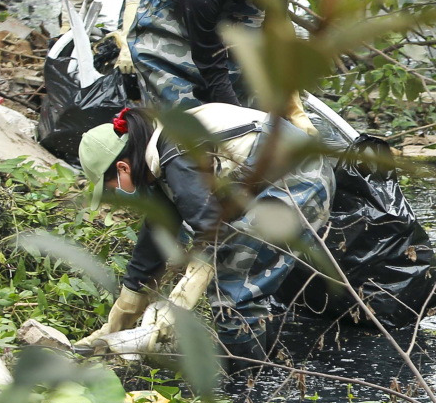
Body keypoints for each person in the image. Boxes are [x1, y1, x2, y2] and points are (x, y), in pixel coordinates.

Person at [73, 102, 336, 354]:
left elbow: (211, 238)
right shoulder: (162, 162)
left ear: (123, 167)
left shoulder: (176, 153)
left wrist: (167, 318)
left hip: (301, 178)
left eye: (114, 186)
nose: (118, 193)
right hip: (274, 180)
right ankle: (256, 362)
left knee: (230, 286)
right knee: (232, 273)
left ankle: (247, 385)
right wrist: (110, 331)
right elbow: (149, 253)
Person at [128, 0, 307, 111]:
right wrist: (235, 115)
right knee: (189, 111)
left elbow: (275, 33)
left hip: (222, 12)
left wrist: (290, 100)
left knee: (256, 93)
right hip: (169, 21)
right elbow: (210, 64)